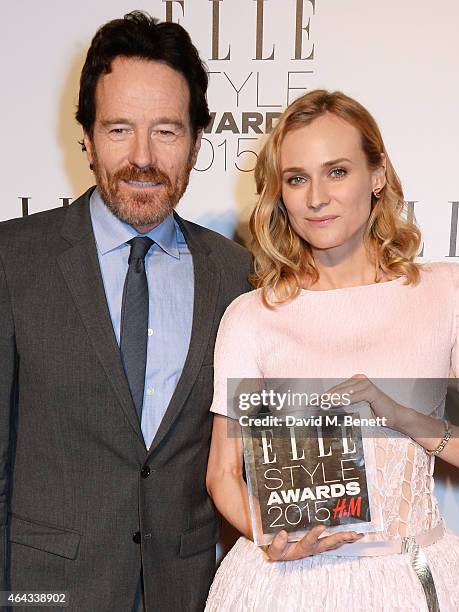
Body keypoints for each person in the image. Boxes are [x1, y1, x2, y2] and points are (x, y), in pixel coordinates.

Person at [0, 11, 251, 612]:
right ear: (85, 136)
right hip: (46, 594)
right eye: (118, 130)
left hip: (187, 593)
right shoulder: (13, 261)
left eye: (166, 131)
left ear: (196, 139)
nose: (142, 157)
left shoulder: (238, 274)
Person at [205, 89, 459, 611]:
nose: (316, 198)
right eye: (297, 178)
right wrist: (271, 541)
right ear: (279, 193)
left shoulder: (447, 292)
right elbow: (222, 473)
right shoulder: (252, 315)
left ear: (378, 176)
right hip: (285, 588)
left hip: (408, 581)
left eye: (337, 171)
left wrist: (400, 415)